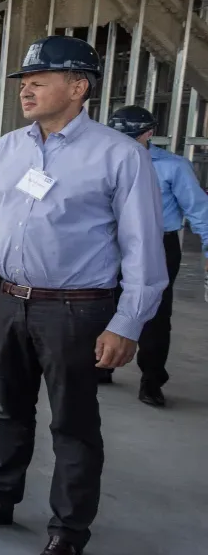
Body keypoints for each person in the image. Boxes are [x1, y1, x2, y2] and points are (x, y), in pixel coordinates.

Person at [0, 36, 168, 555]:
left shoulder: (120, 155)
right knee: (6, 409)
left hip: (78, 309)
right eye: (25, 81)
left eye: (41, 80)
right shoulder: (10, 148)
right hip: (7, 300)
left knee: (74, 421)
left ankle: (69, 528)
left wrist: (127, 323)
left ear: (79, 86)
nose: (27, 89)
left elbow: (142, 250)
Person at [104, 105, 208, 407]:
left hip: (157, 244)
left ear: (149, 134)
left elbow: (199, 211)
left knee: (155, 313)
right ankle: (103, 366)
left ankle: (151, 379)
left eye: (132, 137)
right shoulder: (103, 161)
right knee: (102, 303)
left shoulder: (173, 167)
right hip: (110, 242)